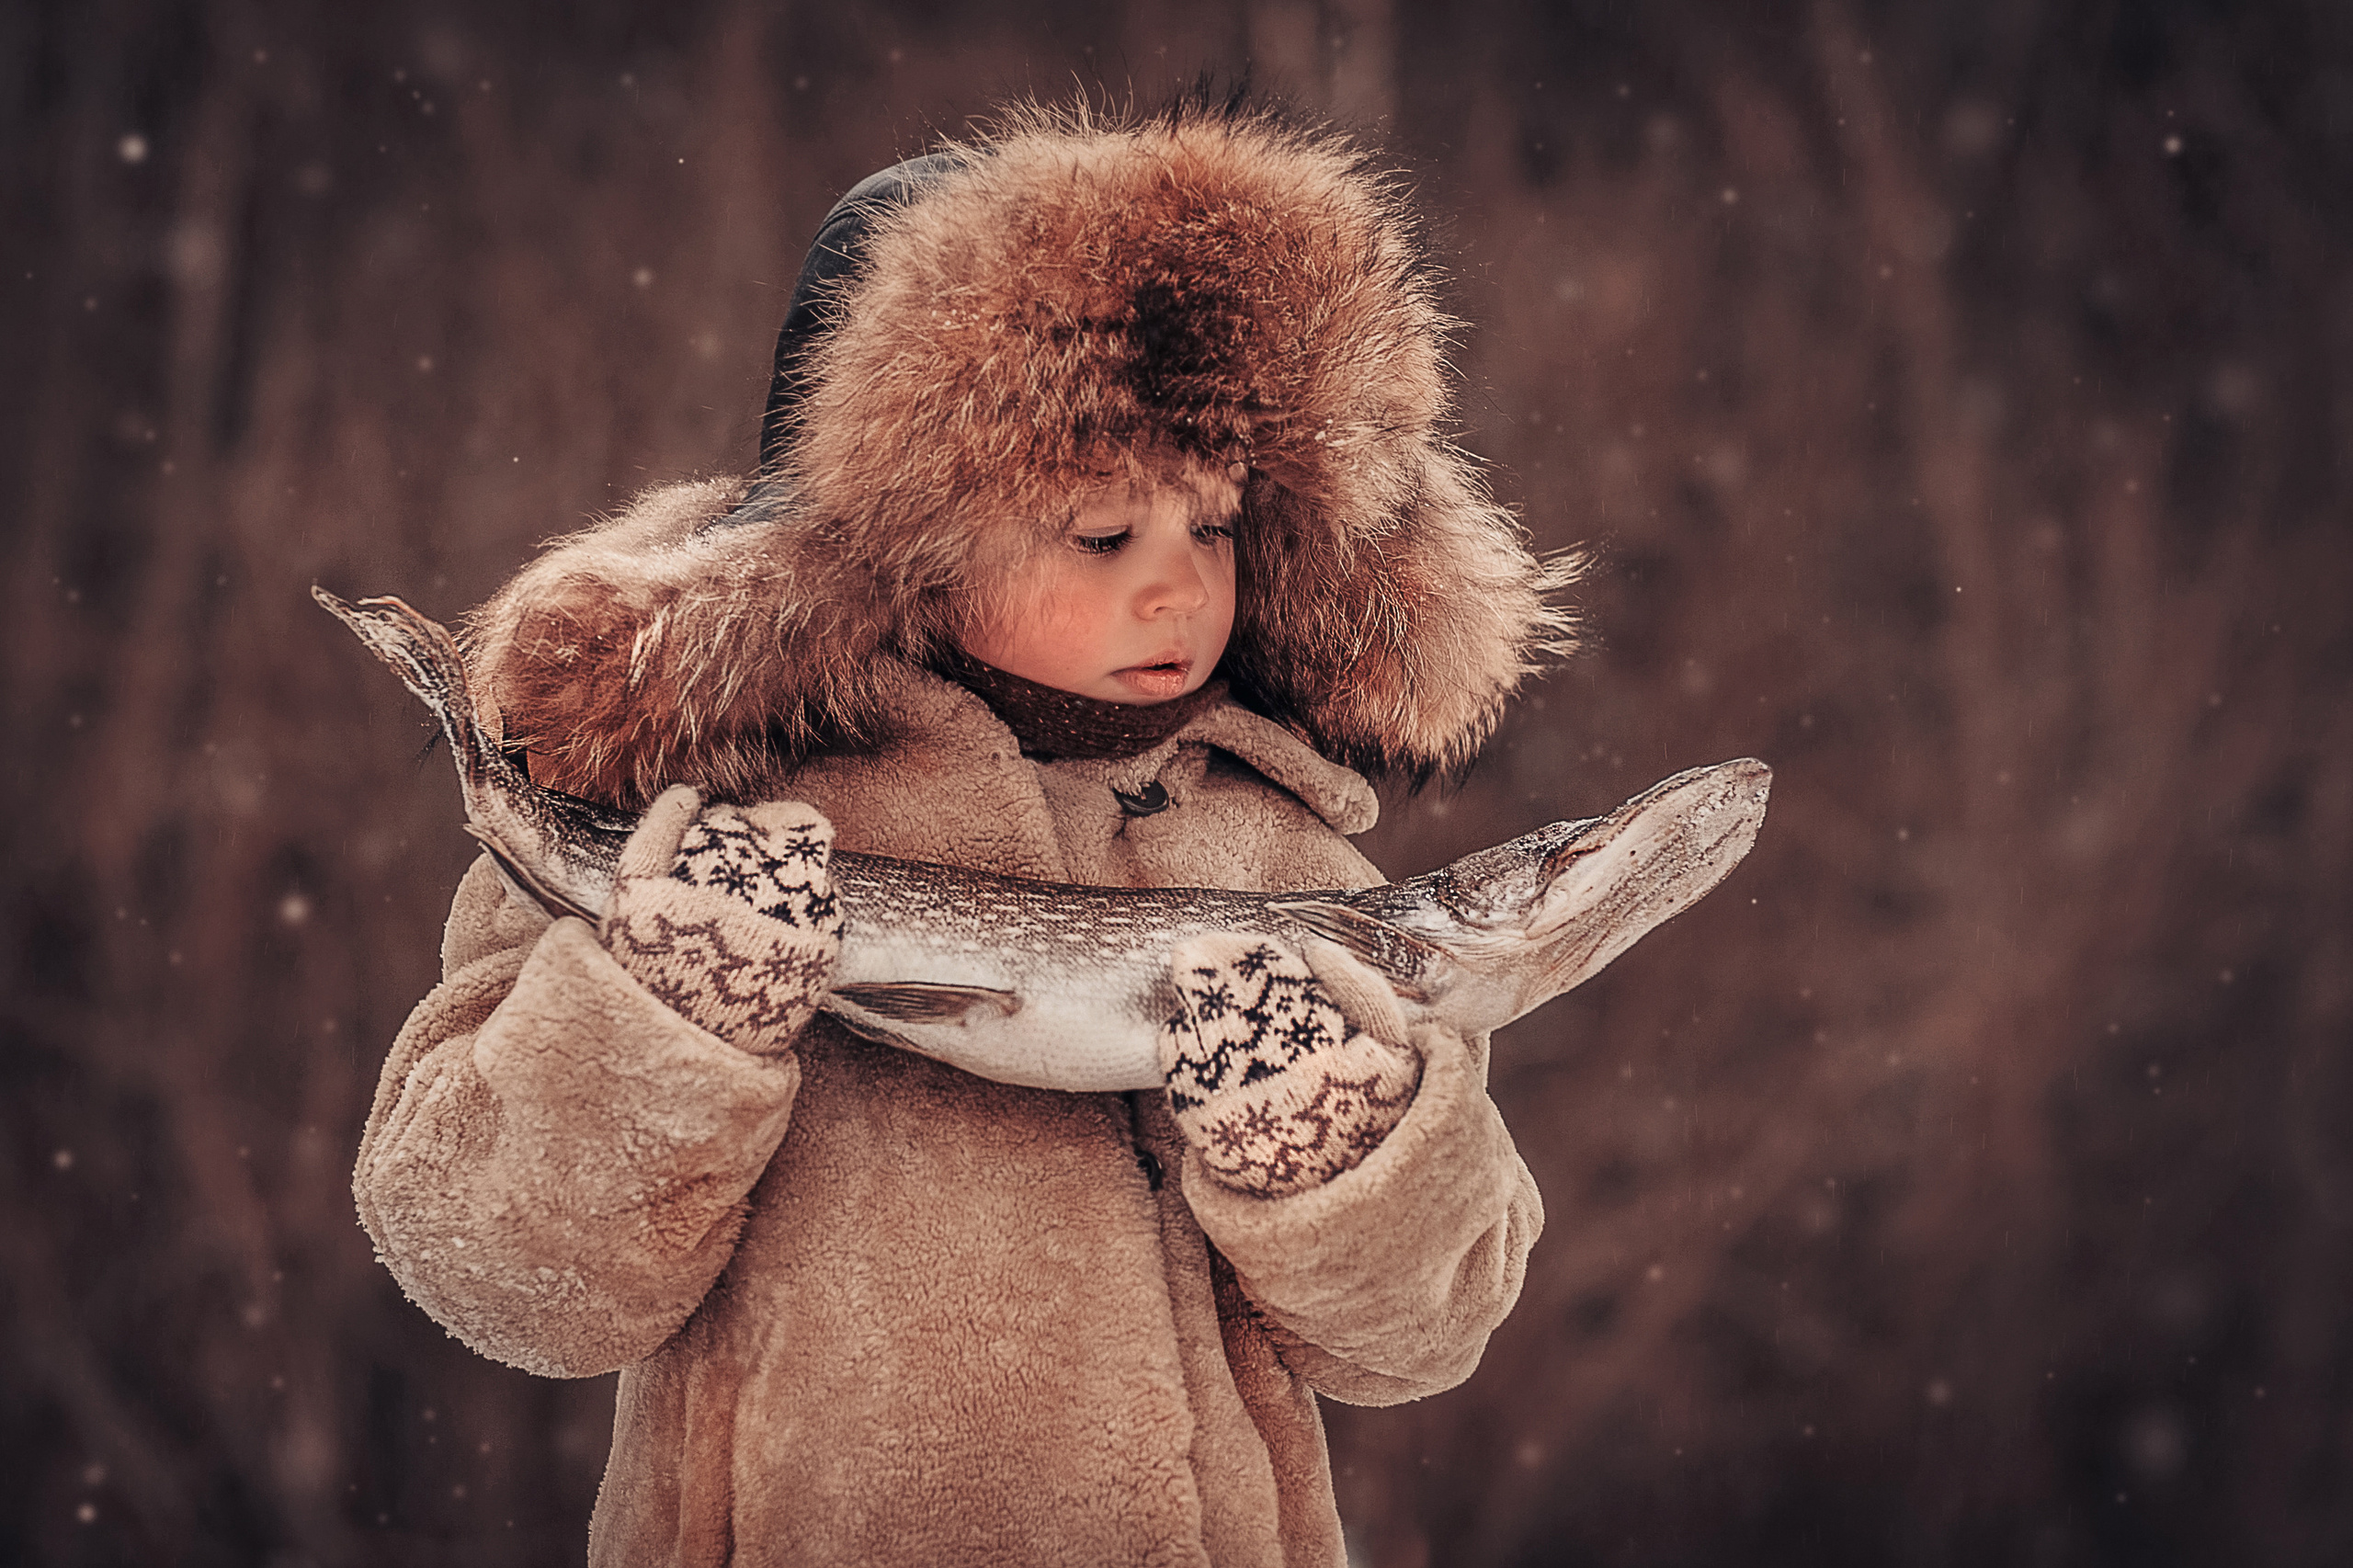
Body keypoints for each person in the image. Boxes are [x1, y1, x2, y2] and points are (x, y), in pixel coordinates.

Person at [354, 99, 1574, 1566]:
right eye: (1104, 536)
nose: (1179, 589)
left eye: (1213, 527)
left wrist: (1332, 1147)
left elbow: (1424, 1332)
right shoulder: (693, 828)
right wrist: (661, 1023)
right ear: (914, 543)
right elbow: (499, 1270)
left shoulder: (1285, 859)